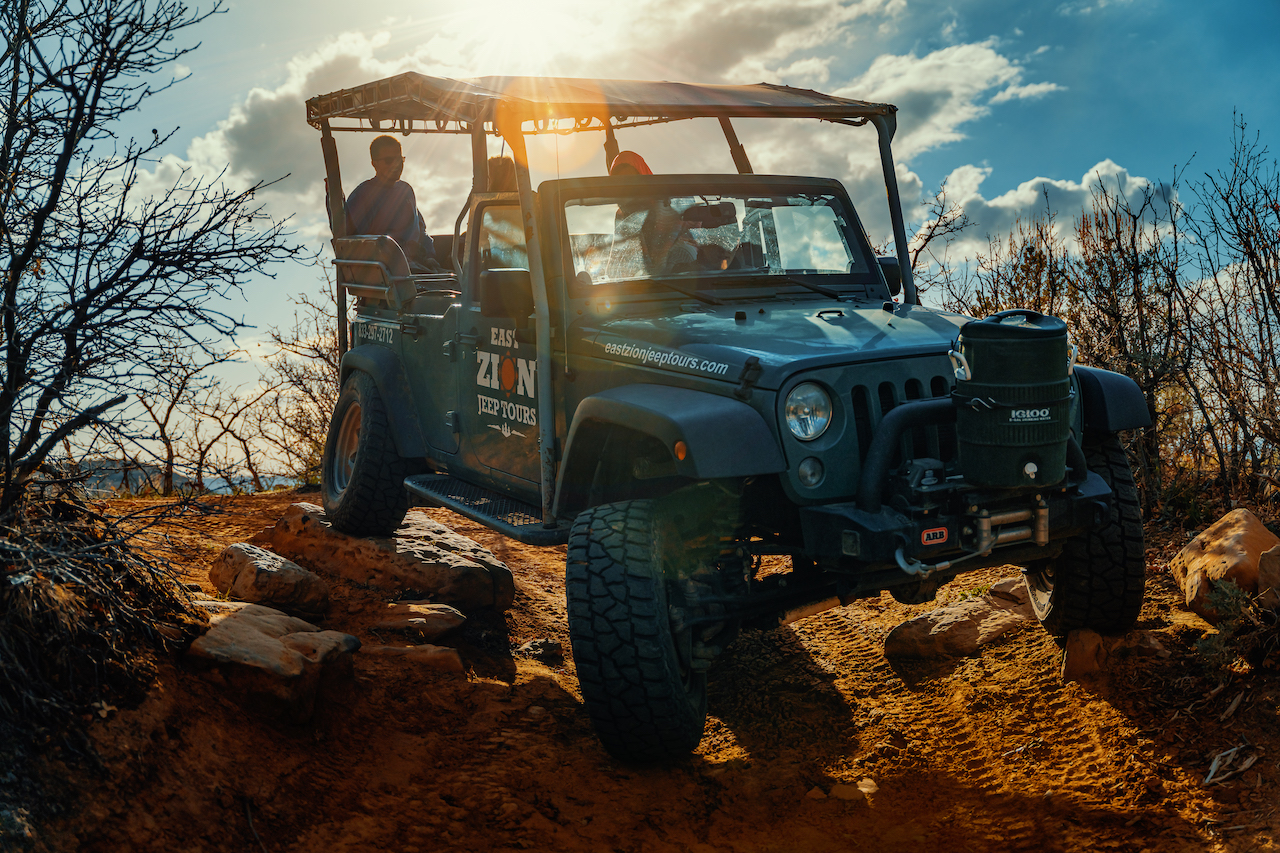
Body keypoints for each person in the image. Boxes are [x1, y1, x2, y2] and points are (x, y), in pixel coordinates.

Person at [338, 134, 439, 270]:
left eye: (399, 159)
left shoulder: (406, 190)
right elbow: (361, 242)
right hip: (389, 270)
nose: (396, 165)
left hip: (418, 263)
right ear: (374, 163)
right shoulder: (363, 195)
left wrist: (430, 255)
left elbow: (420, 230)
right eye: (389, 160)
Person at [603, 151, 695, 278]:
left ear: (644, 177)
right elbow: (617, 263)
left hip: (677, 283)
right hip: (640, 286)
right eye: (620, 183)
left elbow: (685, 252)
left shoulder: (666, 209)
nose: (627, 189)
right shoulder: (622, 215)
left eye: (632, 181)